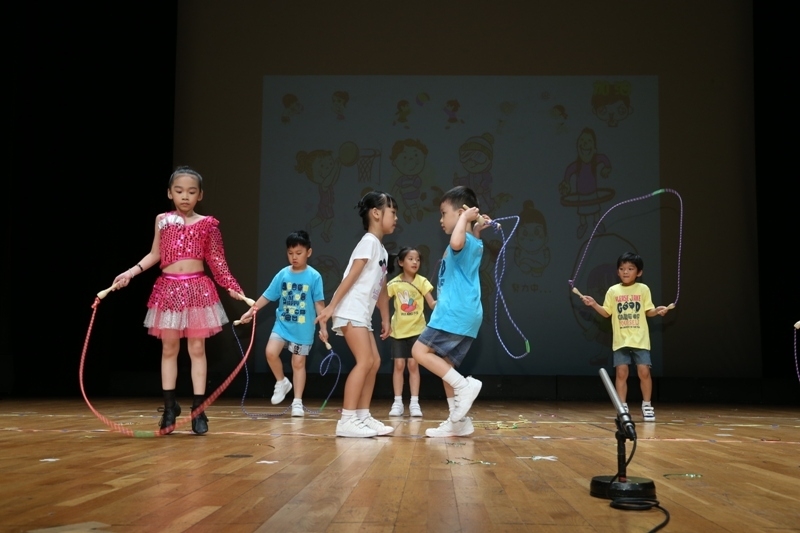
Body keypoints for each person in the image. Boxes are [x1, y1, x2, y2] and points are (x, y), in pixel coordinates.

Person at [112, 166, 245, 435]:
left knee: (197, 348)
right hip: (169, 290)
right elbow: (155, 254)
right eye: (179, 191)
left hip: (197, 291)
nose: (185, 196)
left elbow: (217, 261)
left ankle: (199, 409)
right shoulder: (163, 220)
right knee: (169, 348)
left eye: (191, 192)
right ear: (169, 193)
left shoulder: (208, 225)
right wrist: (130, 273)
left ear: (200, 195)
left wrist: (232, 287)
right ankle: (170, 408)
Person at [412, 186, 493, 437]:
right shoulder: (474, 241)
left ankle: (464, 387)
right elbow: (464, 244)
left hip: (455, 314)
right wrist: (475, 227)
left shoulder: (461, 241)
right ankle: (458, 422)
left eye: (444, 213)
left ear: (460, 213)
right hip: (465, 314)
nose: (440, 219)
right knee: (446, 366)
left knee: (418, 351)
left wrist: (467, 220)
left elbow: (457, 242)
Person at [315, 191, 397, 437]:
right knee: (365, 361)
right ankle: (347, 420)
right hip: (351, 310)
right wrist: (331, 306)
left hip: (362, 314)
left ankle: (362, 415)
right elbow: (351, 276)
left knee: (374, 361)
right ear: (376, 213)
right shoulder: (368, 242)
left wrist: (385, 317)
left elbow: (381, 287)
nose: (396, 218)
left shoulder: (382, 250)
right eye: (392, 212)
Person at [238, 230, 327, 417]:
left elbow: (319, 303)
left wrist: (323, 327)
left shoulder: (314, 276)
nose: (294, 257)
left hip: (303, 328)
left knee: (298, 363)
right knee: (270, 352)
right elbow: (267, 296)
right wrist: (250, 311)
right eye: (290, 253)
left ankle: (297, 402)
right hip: (283, 325)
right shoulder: (283, 274)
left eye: (299, 253)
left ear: (309, 252)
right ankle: (282, 382)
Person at [581, 252, 670, 421]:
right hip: (620, 340)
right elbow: (606, 313)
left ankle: (647, 405)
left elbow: (648, 311)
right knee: (621, 373)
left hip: (640, 339)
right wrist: (594, 304)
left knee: (644, 372)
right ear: (618, 271)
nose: (625, 272)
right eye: (622, 269)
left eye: (630, 268)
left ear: (639, 272)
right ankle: (622, 407)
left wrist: (657, 311)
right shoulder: (613, 290)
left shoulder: (643, 289)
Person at [386, 247, 436, 417]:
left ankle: (414, 403)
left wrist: (444, 302)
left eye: (418, 259)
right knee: (399, 365)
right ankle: (397, 402)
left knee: (413, 365)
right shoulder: (394, 284)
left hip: (418, 331)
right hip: (398, 331)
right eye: (410, 259)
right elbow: (381, 301)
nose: (415, 262)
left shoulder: (422, 282)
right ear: (401, 262)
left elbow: (432, 304)